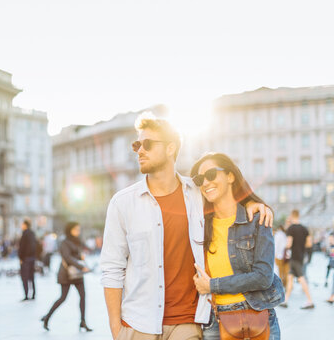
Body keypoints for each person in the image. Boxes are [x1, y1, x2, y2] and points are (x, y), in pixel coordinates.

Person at [100, 113, 273, 340]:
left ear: (171, 148)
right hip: (137, 323)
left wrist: (253, 202)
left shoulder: (197, 192)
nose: (140, 150)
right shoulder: (122, 203)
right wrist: (116, 329)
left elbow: (226, 197)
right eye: (137, 145)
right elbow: (112, 269)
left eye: (148, 144)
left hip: (188, 322)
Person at [190, 153, 283, 340]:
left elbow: (263, 277)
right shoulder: (198, 225)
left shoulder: (257, 219)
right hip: (215, 320)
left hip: (257, 314)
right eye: (200, 179)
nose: (205, 183)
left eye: (211, 175)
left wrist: (213, 285)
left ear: (230, 176)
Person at [41, 222, 92, 332]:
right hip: (67, 274)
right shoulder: (64, 242)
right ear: (70, 230)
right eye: (76, 229)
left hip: (77, 274)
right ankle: (47, 317)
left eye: (79, 229)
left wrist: (81, 256)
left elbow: (78, 253)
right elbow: (67, 257)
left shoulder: (77, 241)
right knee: (63, 298)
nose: (78, 231)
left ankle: (83, 321)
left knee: (83, 296)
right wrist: (81, 266)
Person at [280, 210, 314, 309]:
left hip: (294, 256)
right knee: (290, 277)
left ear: (291, 216)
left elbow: (289, 244)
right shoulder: (304, 229)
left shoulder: (291, 229)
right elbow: (309, 244)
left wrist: (285, 246)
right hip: (301, 255)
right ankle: (285, 300)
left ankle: (310, 301)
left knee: (301, 278)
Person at [18, 218, 37, 301]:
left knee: (25, 277)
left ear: (25, 225)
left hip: (25, 259)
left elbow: (22, 247)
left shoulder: (25, 234)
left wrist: (21, 257)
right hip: (32, 258)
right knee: (31, 277)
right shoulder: (32, 234)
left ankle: (26, 295)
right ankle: (33, 294)